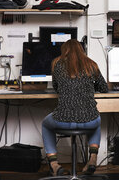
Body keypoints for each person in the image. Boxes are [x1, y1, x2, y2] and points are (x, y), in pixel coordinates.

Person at [41, 39, 108, 176]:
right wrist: (90, 86)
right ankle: (93, 159)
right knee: (96, 119)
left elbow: (56, 88)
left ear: (64, 51)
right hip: (88, 121)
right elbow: (104, 88)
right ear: (81, 50)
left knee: (45, 124)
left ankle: (54, 164)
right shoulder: (91, 65)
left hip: (63, 120)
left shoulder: (57, 64)